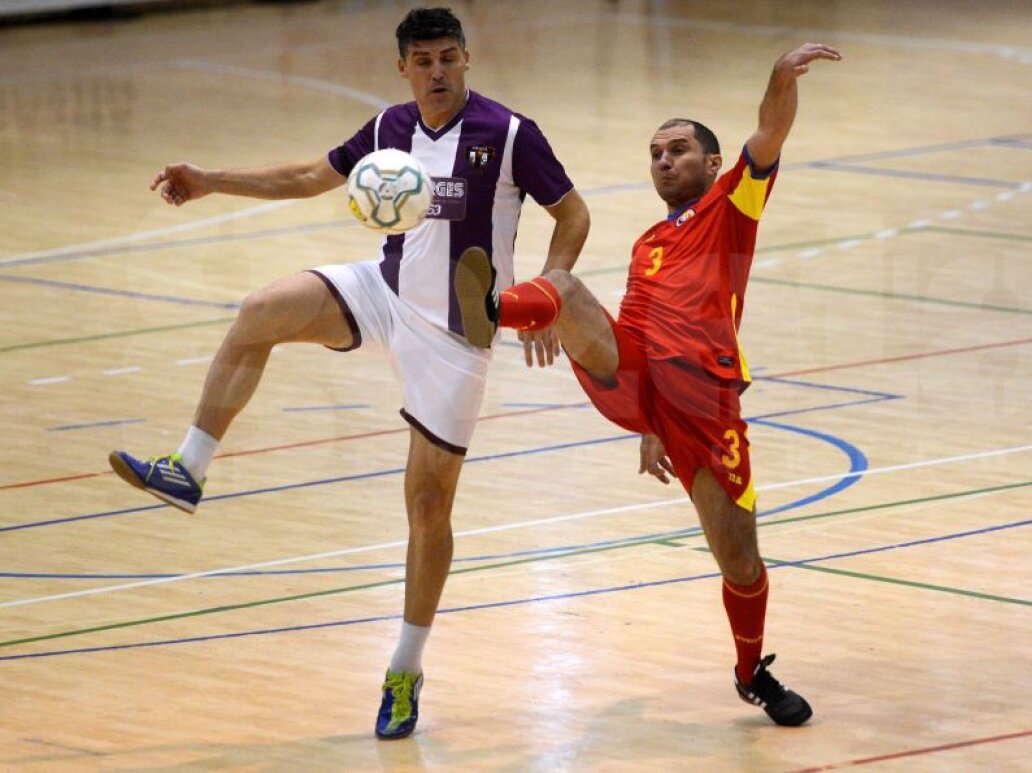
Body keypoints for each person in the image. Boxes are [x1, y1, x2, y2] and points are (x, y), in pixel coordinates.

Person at [107, 7, 589, 740]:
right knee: (259, 311)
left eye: (448, 57)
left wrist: (549, 291)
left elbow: (573, 214)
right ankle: (188, 467)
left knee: (427, 506)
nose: (437, 71)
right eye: (423, 60)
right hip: (385, 293)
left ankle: (404, 667)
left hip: (456, 335)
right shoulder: (390, 127)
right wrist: (210, 179)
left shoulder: (510, 134)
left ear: (468, 59)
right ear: (403, 68)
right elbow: (309, 175)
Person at [454, 42, 842, 726]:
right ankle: (494, 307)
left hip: (706, 404)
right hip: (636, 376)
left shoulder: (733, 204)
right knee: (565, 286)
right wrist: (644, 416)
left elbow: (770, 130)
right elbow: (628, 328)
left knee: (741, 562)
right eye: (656, 153)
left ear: (712, 163)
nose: (664, 160)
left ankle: (751, 672)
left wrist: (781, 76)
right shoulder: (646, 245)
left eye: (679, 150)